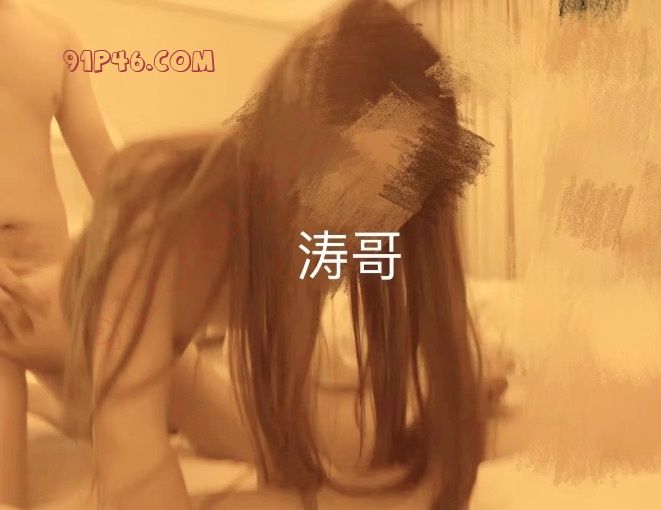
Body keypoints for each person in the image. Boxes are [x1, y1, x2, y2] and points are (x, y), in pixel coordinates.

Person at [57, 0, 491, 509]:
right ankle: (53, 394)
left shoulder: (319, 241)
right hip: (63, 311)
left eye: (391, 207)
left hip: (170, 342)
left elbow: (284, 448)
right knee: (98, 402)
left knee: (222, 426)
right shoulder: (152, 207)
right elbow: (133, 482)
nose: (356, 239)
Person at [0, 1, 115, 506]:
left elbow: (107, 173)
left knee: (143, 380)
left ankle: (61, 402)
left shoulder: (56, 38)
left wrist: (144, 257)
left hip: (50, 281)